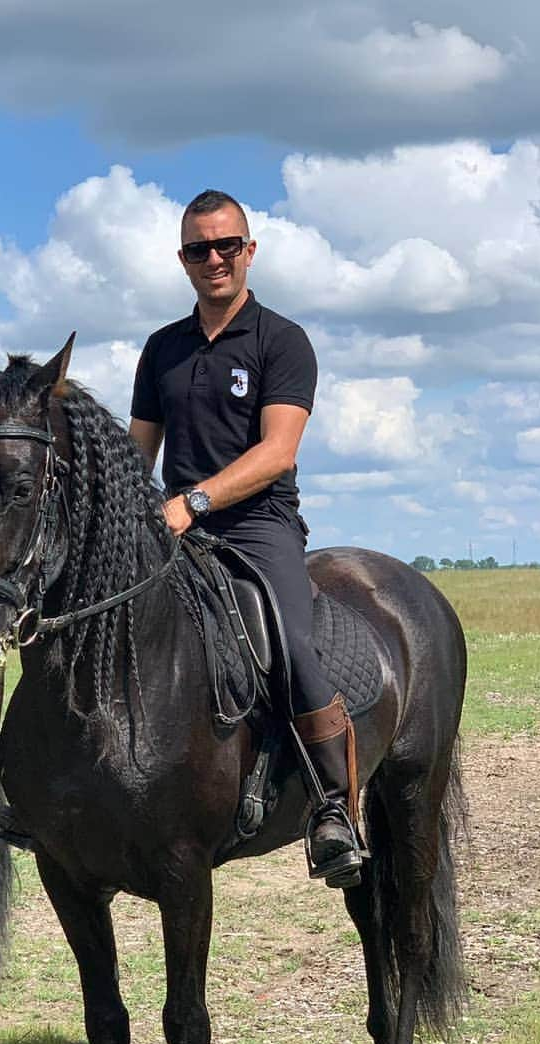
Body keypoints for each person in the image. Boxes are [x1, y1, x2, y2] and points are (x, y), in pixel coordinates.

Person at [128, 188, 362, 887]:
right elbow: (138, 450)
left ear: (249, 251)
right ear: (183, 259)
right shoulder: (161, 348)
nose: (215, 258)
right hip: (172, 523)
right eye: (200, 248)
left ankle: (332, 807)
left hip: (257, 524)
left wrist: (192, 502)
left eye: (227, 245)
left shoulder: (280, 340)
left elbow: (277, 452)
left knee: (290, 644)